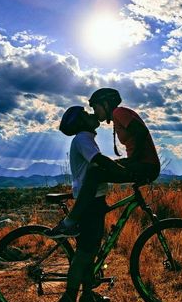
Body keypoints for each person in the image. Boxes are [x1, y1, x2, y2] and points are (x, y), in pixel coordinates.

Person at [47, 88, 160, 238]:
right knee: (100, 167)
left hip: (145, 165)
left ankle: (70, 222)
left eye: (95, 107)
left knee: (95, 172)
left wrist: (132, 161)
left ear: (106, 104)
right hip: (144, 164)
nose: (95, 112)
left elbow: (141, 131)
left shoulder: (119, 112)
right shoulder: (118, 116)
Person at [47, 106, 110, 302]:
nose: (91, 114)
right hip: (89, 205)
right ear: (81, 121)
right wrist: (126, 170)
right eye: (85, 112)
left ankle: (87, 296)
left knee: (90, 251)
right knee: (83, 256)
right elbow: (100, 162)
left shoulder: (85, 138)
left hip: (95, 201)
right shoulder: (83, 138)